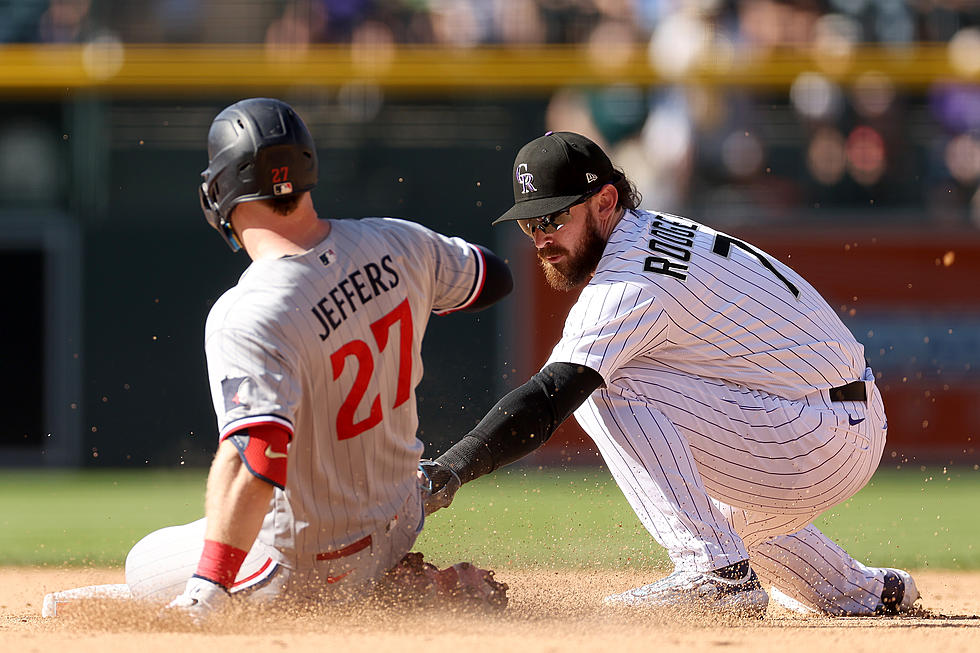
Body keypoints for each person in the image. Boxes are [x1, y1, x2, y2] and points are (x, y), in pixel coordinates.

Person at [43, 98, 512, 621]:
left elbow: (260, 456)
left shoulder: (249, 311)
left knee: (143, 563)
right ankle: (386, 583)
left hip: (309, 564)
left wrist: (209, 591)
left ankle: (238, 596)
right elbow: (494, 278)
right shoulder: (399, 242)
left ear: (218, 191)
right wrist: (397, 297)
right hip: (401, 520)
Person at [421, 131, 920, 617]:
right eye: (531, 224)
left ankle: (714, 575)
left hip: (816, 434)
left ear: (604, 201)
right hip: (827, 419)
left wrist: (447, 471)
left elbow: (549, 397)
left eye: (553, 216)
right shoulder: (650, 232)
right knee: (717, 519)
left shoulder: (629, 279)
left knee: (604, 385)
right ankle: (862, 591)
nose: (542, 238)